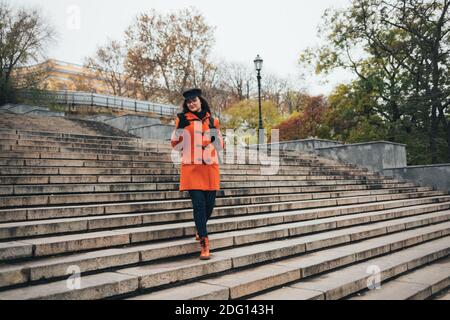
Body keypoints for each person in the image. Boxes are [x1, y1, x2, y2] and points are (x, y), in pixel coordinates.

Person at [170, 88, 224, 260]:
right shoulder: (182, 119)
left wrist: (214, 140)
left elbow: (220, 144)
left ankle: (200, 227)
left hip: (209, 167)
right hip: (192, 167)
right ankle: (204, 242)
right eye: (188, 102)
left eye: (194, 100)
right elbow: (174, 144)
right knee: (199, 205)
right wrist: (179, 131)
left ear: (200, 101)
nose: (192, 104)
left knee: (210, 205)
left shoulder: (214, 120)